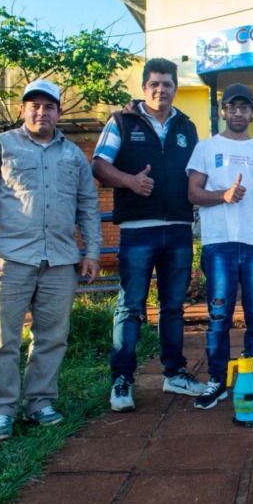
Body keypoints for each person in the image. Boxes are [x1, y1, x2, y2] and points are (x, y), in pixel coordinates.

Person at [0, 79, 102, 442]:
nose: (42, 112)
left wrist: (91, 252)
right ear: (23, 109)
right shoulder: (0, 147)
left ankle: (40, 402)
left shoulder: (73, 155)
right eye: (34, 106)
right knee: (2, 338)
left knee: (53, 338)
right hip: (8, 260)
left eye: (49, 106)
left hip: (59, 261)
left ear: (58, 111)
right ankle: (0, 410)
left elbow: (88, 206)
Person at [93, 58, 203, 412]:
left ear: (175, 87)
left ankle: (174, 373)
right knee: (130, 306)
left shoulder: (187, 126)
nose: (161, 90)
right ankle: (122, 379)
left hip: (178, 231)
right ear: (144, 88)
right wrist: (129, 181)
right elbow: (98, 165)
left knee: (173, 307)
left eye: (168, 84)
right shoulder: (121, 123)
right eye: (155, 83)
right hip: (137, 232)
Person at [187, 83, 253, 409]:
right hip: (219, 246)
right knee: (218, 317)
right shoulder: (205, 148)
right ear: (224, 111)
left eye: (245, 107)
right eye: (233, 107)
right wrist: (223, 196)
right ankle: (217, 380)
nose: (239, 112)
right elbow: (193, 193)